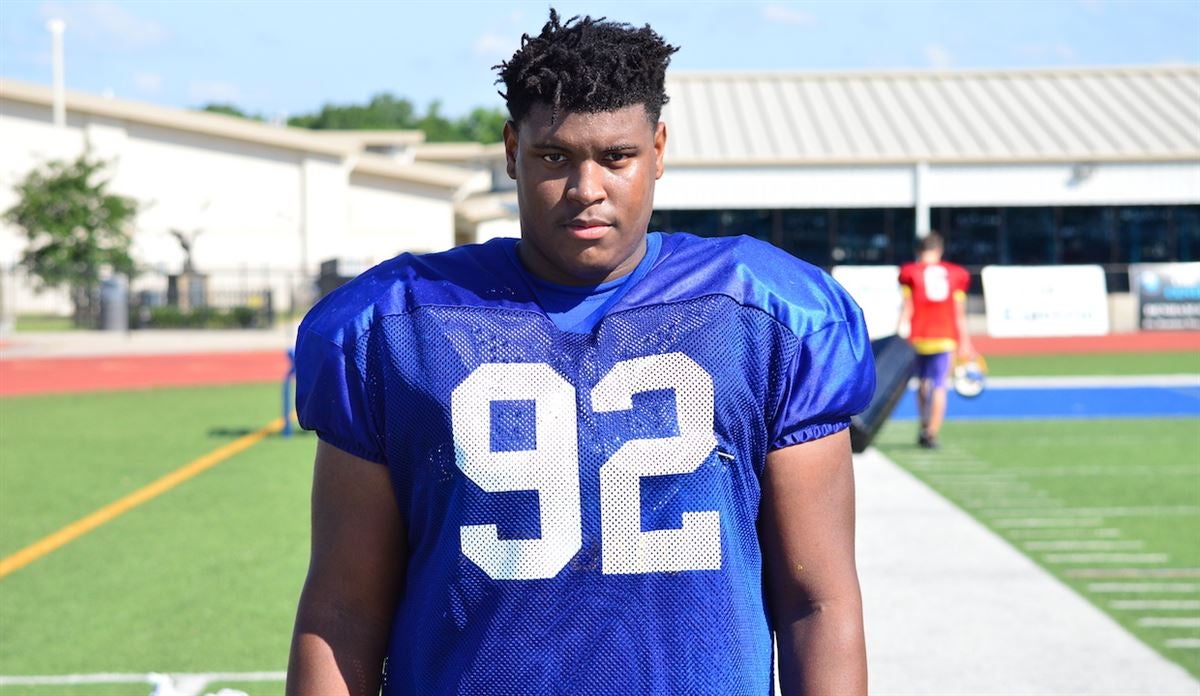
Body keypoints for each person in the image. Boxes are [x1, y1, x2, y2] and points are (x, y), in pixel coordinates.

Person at [286, 9, 875, 695]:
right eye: (555, 157)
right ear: (512, 150)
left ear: (658, 149)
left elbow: (817, 600)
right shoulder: (394, 324)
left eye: (617, 157)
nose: (587, 189)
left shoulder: (769, 313)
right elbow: (343, 611)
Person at [897, 232, 973, 449]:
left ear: (918, 250)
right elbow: (959, 312)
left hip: (919, 335)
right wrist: (965, 341)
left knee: (923, 383)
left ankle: (924, 425)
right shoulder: (956, 273)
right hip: (945, 336)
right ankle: (932, 432)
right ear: (939, 250)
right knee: (939, 385)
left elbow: (907, 307)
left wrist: (899, 332)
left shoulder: (910, 272)